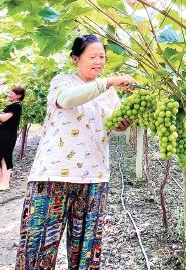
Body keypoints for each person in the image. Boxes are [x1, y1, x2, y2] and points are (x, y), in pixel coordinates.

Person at [15, 34, 136, 270]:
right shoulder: (63, 81)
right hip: (53, 176)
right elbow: (67, 100)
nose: (99, 61)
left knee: (86, 255)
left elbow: (115, 123)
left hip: (94, 177)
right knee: (37, 251)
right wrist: (109, 81)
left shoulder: (110, 94)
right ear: (75, 58)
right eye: (92, 56)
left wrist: (124, 122)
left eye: (102, 57)